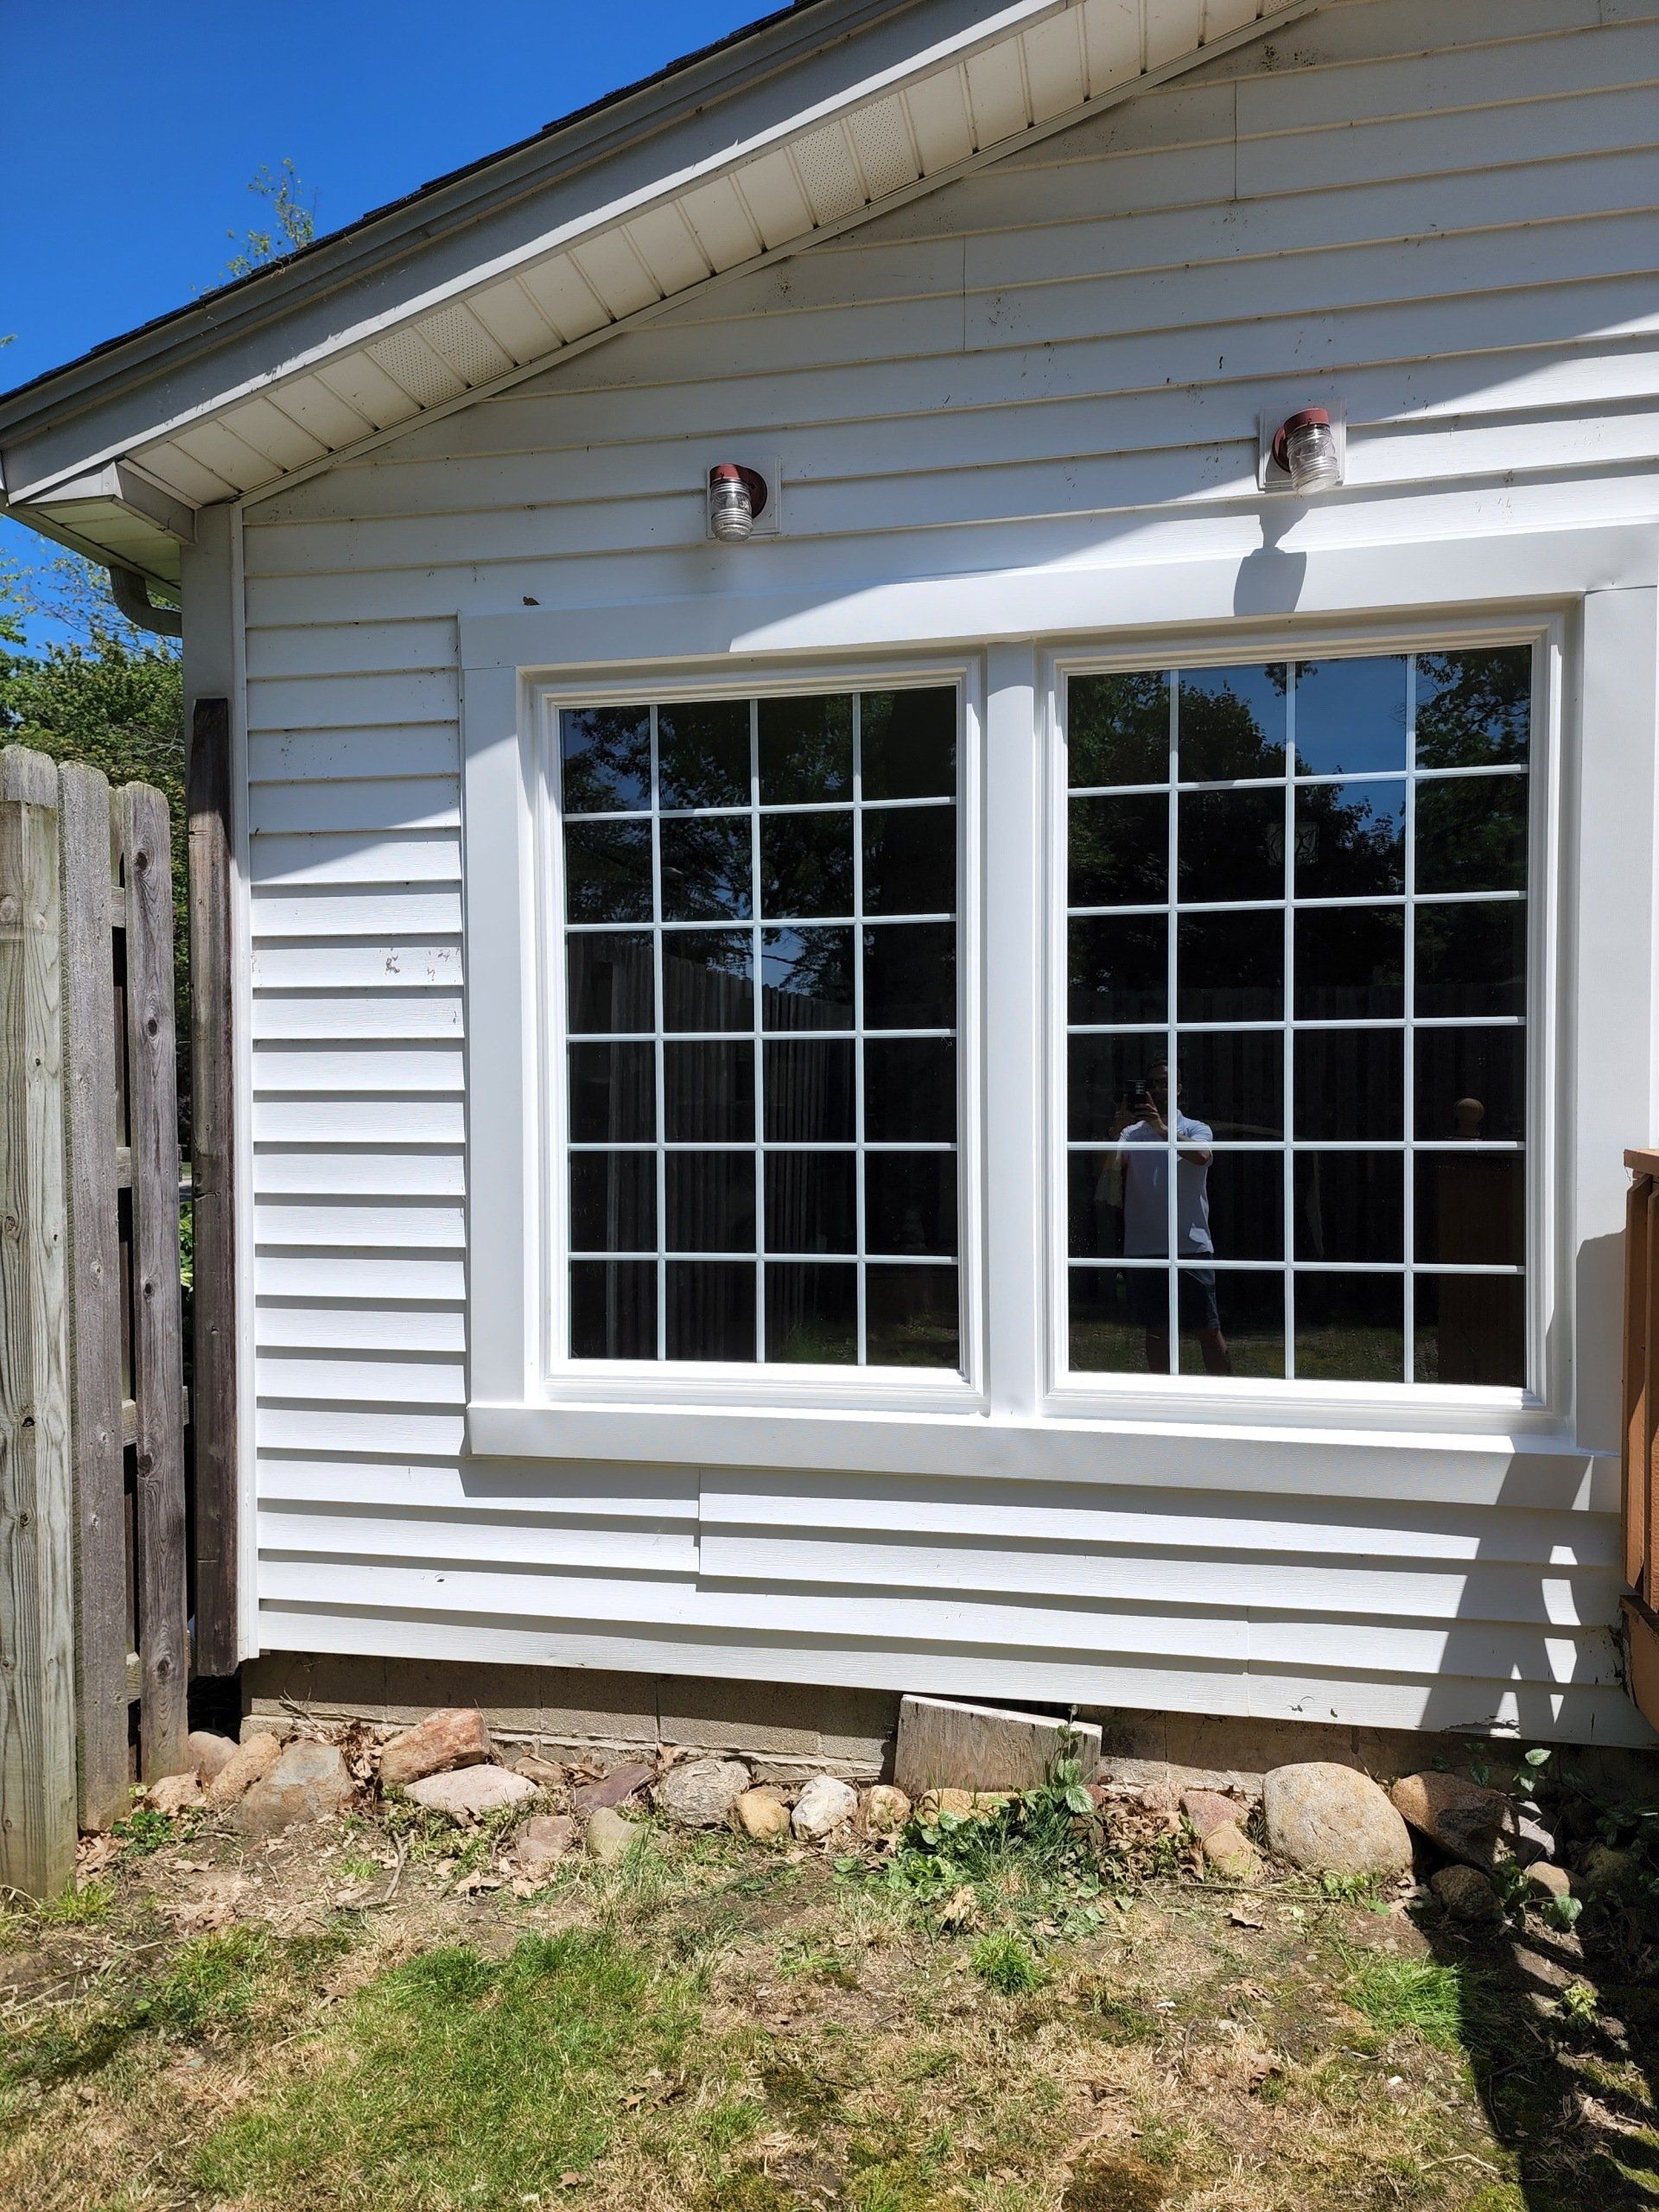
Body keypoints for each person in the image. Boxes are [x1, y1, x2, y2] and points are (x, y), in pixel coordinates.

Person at [1103, 1062, 1232, 1376]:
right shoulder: (1130, 1134)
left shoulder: (1195, 1128)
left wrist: (1162, 1130)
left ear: (1178, 1089)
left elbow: (1202, 1156)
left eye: (1165, 1083)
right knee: (1156, 1330)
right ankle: (1162, 1394)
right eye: (1152, 1084)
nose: (1158, 1089)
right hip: (1145, 1246)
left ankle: (1225, 1393)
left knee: (1207, 1327)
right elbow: (1108, 1172)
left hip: (1191, 1246)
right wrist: (1112, 1132)